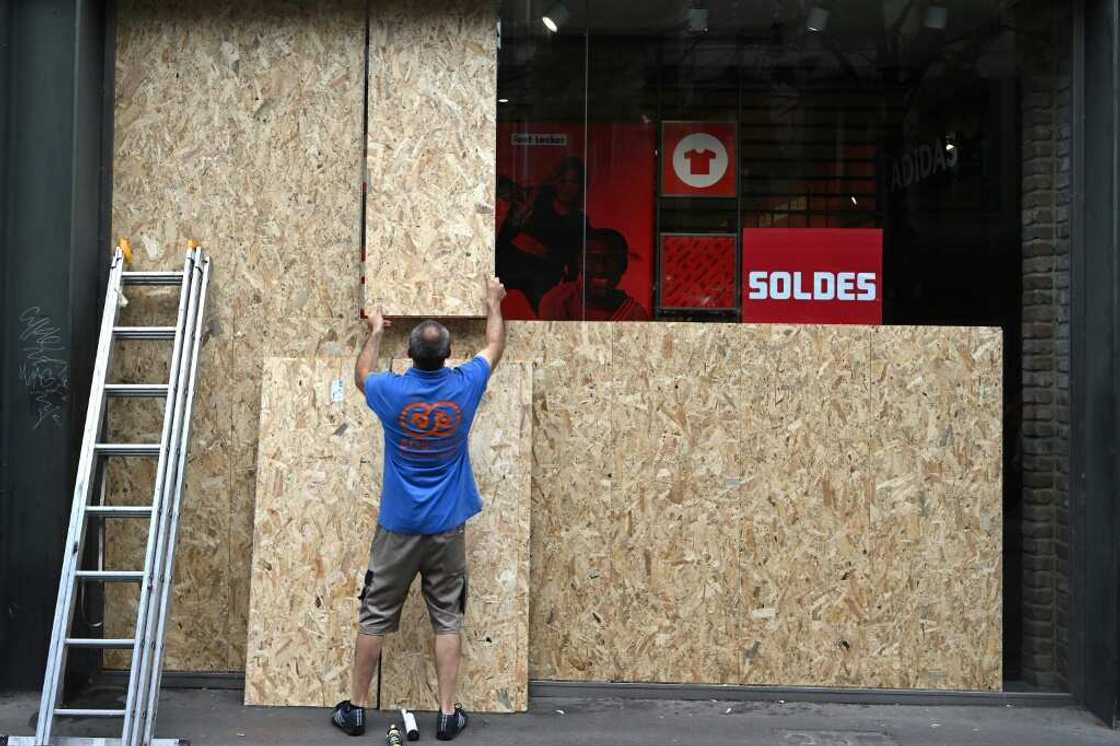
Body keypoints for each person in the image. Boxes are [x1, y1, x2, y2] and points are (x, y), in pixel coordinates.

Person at [331, 276, 508, 740]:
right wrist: (493, 301)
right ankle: (448, 714)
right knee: (447, 616)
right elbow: (494, 343)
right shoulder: (465, 385)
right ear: (448, 356)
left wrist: (374, 329)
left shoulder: (391, 392)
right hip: (447, 527)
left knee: (374, 616)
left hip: (398, 527)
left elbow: (360, 376)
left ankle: (355, 709)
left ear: (409, 355)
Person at [496, 156, 587, 310]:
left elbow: (570, 263)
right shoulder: (536, 201)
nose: (567, 187)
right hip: (508, 271)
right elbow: (507, 236)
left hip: (541, 284)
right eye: (562, 181)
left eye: (573, 182)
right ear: (555, 182)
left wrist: (538, 249)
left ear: (581, 186)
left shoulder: (579, 221)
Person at [539, 228, 650, 321]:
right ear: (580, 263)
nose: (601, 268)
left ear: (623, 266)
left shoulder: (634, 315)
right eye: (593, 259)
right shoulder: (557, 301)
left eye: (610, 260)